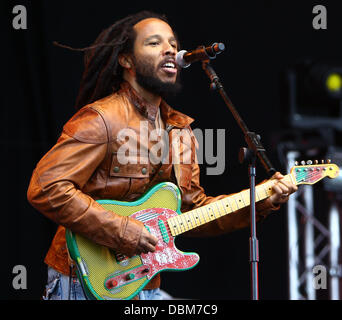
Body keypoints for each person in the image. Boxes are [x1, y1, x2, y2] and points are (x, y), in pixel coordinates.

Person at [27, 10, 297, 300]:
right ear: (126, 60)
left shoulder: (180, 131)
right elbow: (46, 187)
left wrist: (262, 201)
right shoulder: (102, 119)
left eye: (172, 42)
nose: (170, 49)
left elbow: (193, 211)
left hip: (143, 282)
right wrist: (124, 231)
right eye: (154, 43)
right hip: (83, 279)